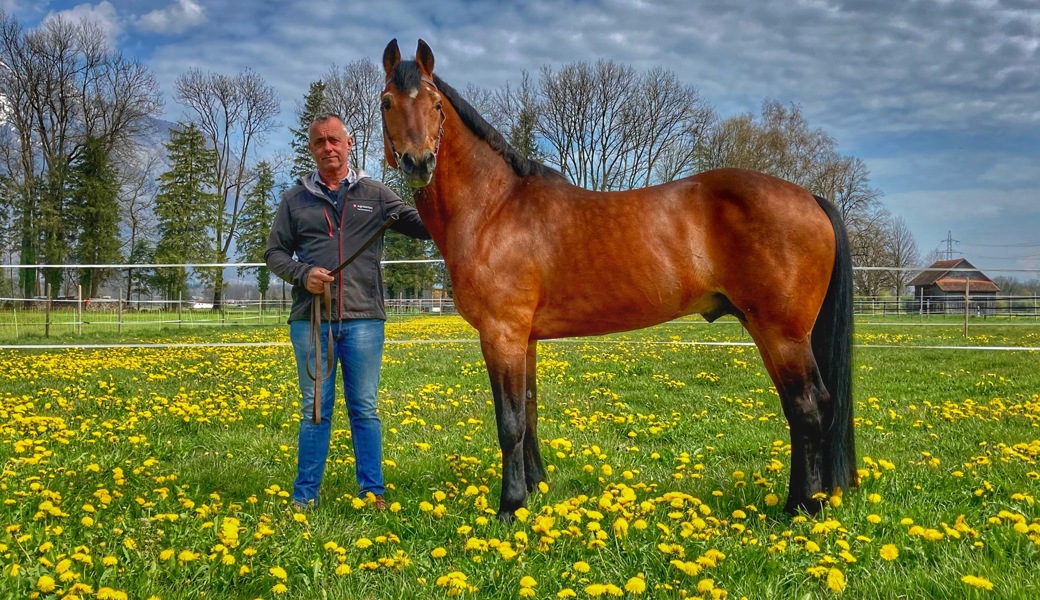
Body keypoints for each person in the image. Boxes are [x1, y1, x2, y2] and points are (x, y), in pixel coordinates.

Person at [266, 113, 429, 510]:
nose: (328, 148)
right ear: (312, 148)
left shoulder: (375, 194)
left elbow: (424, 225)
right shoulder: (294, 199)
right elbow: (273, 253)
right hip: (312, 318)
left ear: (349, 143)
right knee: (315, 410)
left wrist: (431, 183)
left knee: (365, 409)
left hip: (363, 319)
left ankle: (372, 492)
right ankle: (305, 497)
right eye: (320, 142)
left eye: (335, 140)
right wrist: (303, 274)